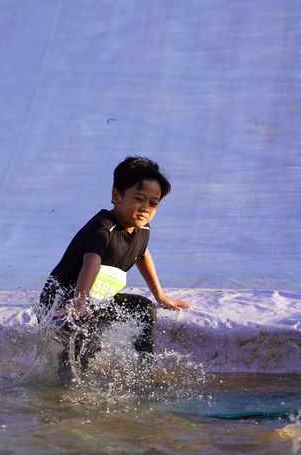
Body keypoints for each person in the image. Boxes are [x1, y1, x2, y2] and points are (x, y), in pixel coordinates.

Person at [38, 156, 192, 381]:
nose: (145, 209)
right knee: (88, 330)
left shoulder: (142, 229)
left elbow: (142, 254)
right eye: (139, 199)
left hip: (96, 297)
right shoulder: (103, 228)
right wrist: (79, 304)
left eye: (153, 203)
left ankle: (144, 375)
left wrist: (160, 295)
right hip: (65, 299)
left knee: (144, 309)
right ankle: (67, 382)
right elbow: (91, 263)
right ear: (116, 195)